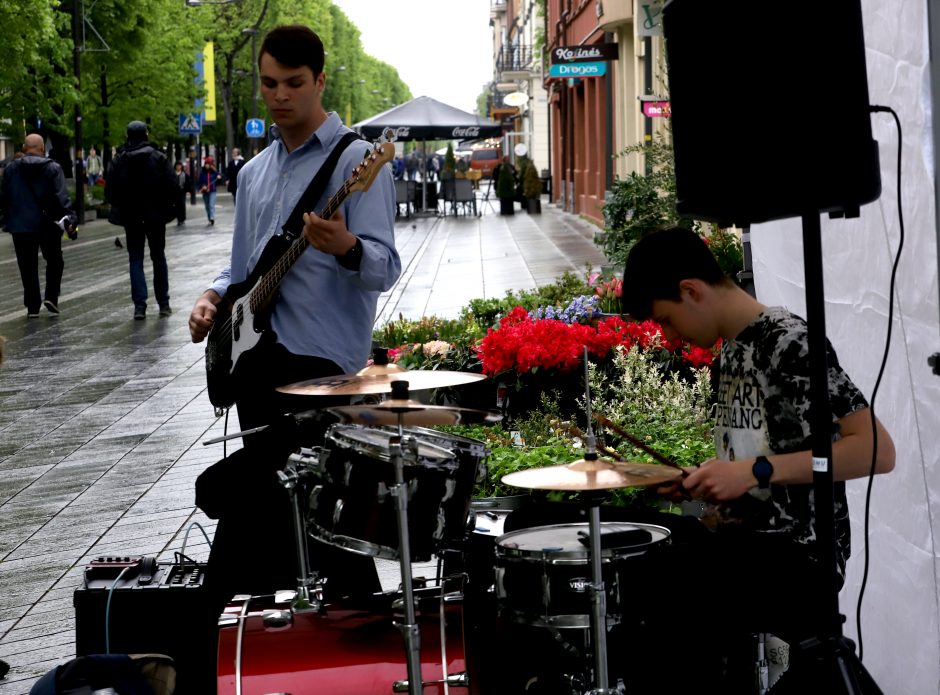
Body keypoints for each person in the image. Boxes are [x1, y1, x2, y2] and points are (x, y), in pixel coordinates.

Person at [614, 227, 896, 691]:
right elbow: (750, 461)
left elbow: (877, 450)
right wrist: (702, 480)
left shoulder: (790, 344)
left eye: (666, 320)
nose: (669, 337)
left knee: (665, 590)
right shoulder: (730, 355)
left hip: (800, 555)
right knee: (638, 554)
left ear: (691, 290)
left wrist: (753, 471)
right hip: (746, 542)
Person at [187, 24, 400, 618]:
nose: (280, 96)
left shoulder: (358, 161)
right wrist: (211, 297)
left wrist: (345, 246)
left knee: (317, 515)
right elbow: (242, 273)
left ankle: (223, 623)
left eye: (294, 83)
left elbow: (384, 266)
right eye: (269, 83)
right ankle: (309, 640)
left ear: (320, 81)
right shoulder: (254, 174)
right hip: (255, 368)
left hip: (322, 368)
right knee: (300, 524)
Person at [105, 120, 177, 320]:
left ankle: (140, 306)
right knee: (158, 256)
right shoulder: (159, 158)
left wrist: (121, 207)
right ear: (146, 135)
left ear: (128, 136)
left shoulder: (120, 160)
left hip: (132, 217)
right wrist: (168, 209)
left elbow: (110, 190)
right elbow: (172, 186)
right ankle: (163, 303)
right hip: (156, 216)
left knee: (135, 258)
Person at [0, 134, 76, 318]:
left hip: (20, 224)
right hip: (48, 223)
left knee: (27, 265)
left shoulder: (11, 169)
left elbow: (4, 196)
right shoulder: (53, 168)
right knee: (55, 260)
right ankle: (51, 296)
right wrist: (70, 218)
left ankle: (32, 306)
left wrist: (9, 215)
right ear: (42, 148)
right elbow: (61, 197)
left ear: (24, 148)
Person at [197, 155, 219, 225]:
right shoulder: (202, 173)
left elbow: (218, 179)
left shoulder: (214, 172)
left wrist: (218, 176)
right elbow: (199, 182)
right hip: (205, 192)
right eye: (206, 164)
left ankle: (212, 217)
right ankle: (209, 217)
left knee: (211, 205)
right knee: (207, 206)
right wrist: (202, 186)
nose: (207, 165)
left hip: (212, 191)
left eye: (208, 164)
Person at [173, 161, 188, 226]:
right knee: (177, 206)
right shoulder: (173, 174)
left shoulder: (184, 174)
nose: (178, 167)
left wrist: (187, 190)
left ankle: (183, 219)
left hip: (182, 191)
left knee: (182, 205)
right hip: (175, 192)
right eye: (177, 165)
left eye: (179, 165)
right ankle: (179, 219)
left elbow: (187, 183)